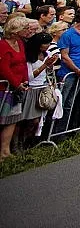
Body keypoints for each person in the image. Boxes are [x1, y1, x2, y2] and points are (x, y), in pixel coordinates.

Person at [0, 16, 30, 160]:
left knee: (12, 119)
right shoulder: (3, 45)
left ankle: (5, 151)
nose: (27, 30)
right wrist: (16, 83)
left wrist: (25, 81)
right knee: (3, 118)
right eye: (25, 28)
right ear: (16, 30)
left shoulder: (20, 43)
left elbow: (23, 63)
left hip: (18, 87)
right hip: (5, 88)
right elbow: (4, 68)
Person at [22, 32, 58, 141]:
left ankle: (30, 141)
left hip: (42, 88)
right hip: (31, 89)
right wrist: (44, 65)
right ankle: (20, 141)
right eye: (45, 43)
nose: (48, 46)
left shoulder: (47, 54)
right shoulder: (29, 56)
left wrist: (50, 65)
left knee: (37, 121)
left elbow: (49, 72)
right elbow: (30, 76)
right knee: (29, 120)